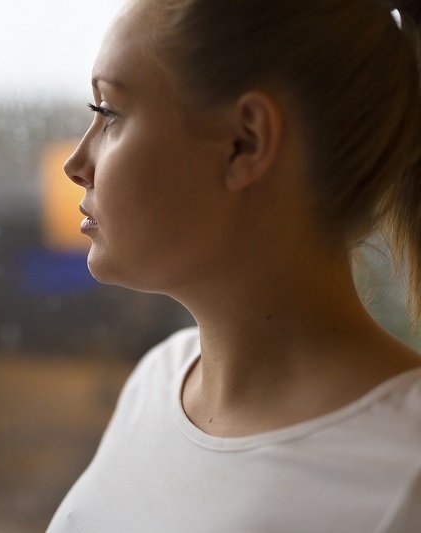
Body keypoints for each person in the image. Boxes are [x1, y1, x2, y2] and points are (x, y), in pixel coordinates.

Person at [48, 0, 421, 531]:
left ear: (247, 142)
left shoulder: (406, 474)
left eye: (108, 113)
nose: (75, 164)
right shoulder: (156, 383)